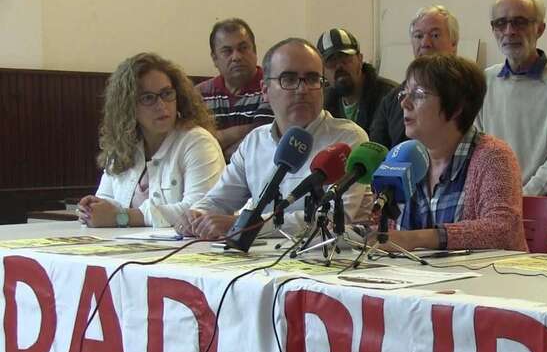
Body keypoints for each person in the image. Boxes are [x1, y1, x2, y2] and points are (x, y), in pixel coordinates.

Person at [184, 38, 370, 239]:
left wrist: (245, 225)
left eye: (312, 79)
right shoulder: (255, 142)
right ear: (265, 90)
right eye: (288, 79)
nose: (302, 89)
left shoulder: (347, 139)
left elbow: (331, 219)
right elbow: (216, 201)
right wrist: (196, 215)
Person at [387, 54, 527, 252]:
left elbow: (501, 230)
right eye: (404, 94)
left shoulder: (493, 156)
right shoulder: (404, 157)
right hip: (417, 279)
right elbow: (390, 232)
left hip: (487, 280)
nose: (404, 103)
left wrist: (417, 238)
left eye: (418, 94)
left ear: (456, 108)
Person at [78, 53, 225, 228]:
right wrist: (92, 209)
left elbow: (199, 210)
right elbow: (108, 200)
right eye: (148, 98)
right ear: (128, 106)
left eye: (167, 93)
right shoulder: (124, 143)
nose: (161, 105)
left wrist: (121, 218)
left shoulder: (197, 142)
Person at [477, 0, 547, 195]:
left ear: (540, 28)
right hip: (490, 203)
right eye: (500, 23)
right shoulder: (483, 82)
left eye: (520, 22)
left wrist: (518, 201)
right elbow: (476, 151)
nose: (509, 31)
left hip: (538, 207)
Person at [369, 5, 459, 149]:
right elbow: (377, 149)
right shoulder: (394, 99)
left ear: (453, 43)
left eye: (435, 35)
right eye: (418, 36)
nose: (425, 43)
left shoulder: (467, 92)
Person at [196, 18, 275, 159]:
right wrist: (248, 129)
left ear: (255, 52)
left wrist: (218, 140)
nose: (237, 57)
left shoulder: (272, 87)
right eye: (227, 51)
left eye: (243, 48)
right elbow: (194, 145)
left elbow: (263, 142)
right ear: (214, 58)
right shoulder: (198, 95)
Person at [316, 28, 398, 133]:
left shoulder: (390, 97)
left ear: (360, 59)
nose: (339, 66)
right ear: (322, 70)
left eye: (345, 58)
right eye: (331, 61)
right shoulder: (323, 103)